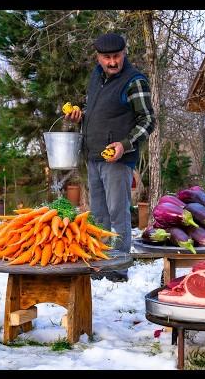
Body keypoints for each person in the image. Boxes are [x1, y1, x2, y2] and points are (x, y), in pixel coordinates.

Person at [66, 33, 155, 281]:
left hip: (117, 160)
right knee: (99, 215)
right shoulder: (96, 76)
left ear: (123, 53)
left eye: (116, 56)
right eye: (107, 58)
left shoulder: (134, 81)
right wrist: (80, 116)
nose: (112, 62)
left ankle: (118, 267)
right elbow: (98, 112)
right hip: (93, 156)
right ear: (98, 57)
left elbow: (148, 121)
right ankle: (101, 263)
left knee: (118, 214)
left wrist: (125, 144)